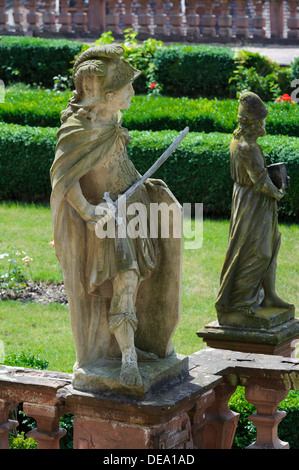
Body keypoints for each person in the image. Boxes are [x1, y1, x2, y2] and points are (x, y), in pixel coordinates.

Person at [50, 45, 182, 390]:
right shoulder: (81, 129)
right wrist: (89, 211)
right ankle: (127, 360)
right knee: (125, 281)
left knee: (139, 283)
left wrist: (148, 186)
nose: (133, 94)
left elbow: (121, 167)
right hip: (110, 215)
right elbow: (64, 180)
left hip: (135, 207)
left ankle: (140, 346)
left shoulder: (112, 120)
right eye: (127, 89)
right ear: (107, 95)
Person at [215, 92, 292, 324]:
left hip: (255, 201)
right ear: (254, 123)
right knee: (257, 252)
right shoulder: (247, 147)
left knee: (272, 244)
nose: (265, 124)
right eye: (262, 120)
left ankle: (269, 296)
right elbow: (260, 181)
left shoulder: (245, 143)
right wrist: (278, 193)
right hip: (252, 202)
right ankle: (241, 303)